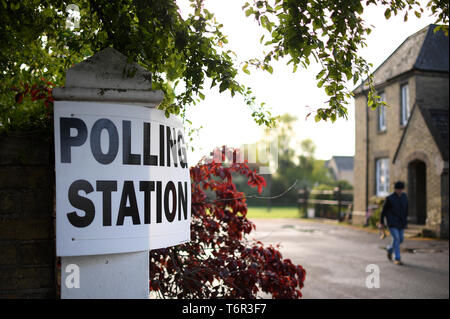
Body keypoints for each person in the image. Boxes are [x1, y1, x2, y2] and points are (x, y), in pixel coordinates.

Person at [379, 181, 408, 265]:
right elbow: (383, 211)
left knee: (401, 239)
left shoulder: (404, 197)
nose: (399, 191)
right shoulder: (389, 198)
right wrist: (381, 222)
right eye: (398, 189)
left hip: (401, 222)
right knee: (396, 238)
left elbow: (406, 210)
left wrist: (406, 221)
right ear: (395, 189)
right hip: (392, 222)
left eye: (401, 189)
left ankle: (390, 249)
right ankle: (397, 258)